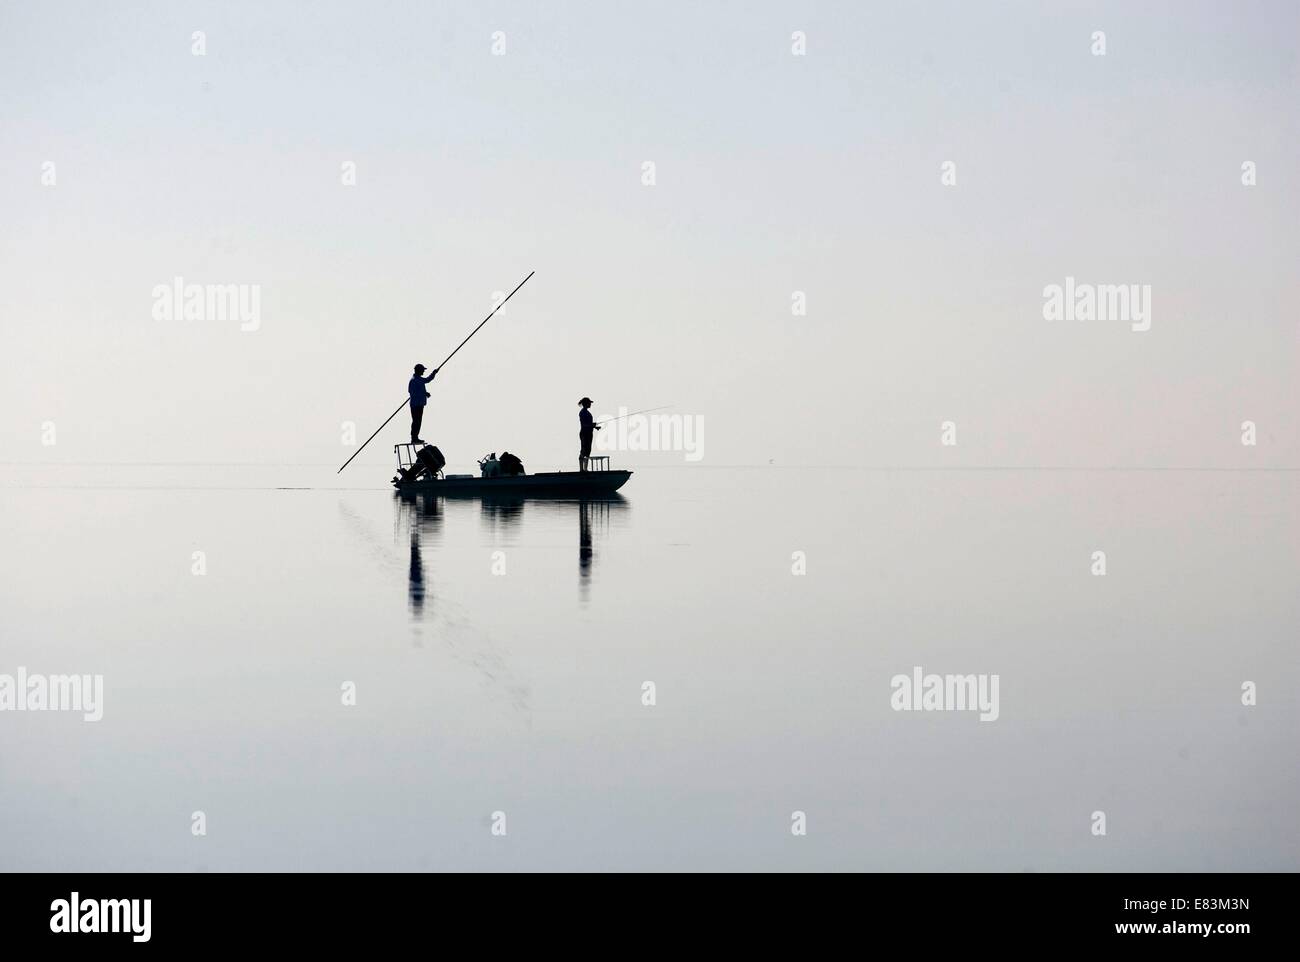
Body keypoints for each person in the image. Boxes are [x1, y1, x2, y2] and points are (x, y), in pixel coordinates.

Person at [408, 364, 438, 444]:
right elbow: (412, 392)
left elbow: (428, 380)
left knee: (418, 421)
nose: (423, 371)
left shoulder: (419, 379)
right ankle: (414, 438)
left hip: (419, 404)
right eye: (422, 370)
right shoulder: (414, 380)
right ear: (418, 370)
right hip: (415, 405)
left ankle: (415, 437)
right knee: (416, 421)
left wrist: (434, 373)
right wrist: (424, 393)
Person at [578, 397, 601, 471]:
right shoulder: (582, 413)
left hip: (589, 433)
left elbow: (588, 424)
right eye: (589, 403)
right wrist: (592, 425)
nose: (590, 404)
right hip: (584, 433)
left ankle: (585, 469)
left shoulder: (587, 412)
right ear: (586, 403)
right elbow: (584, 425)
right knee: (583, 450)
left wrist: (594, 427)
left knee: (588, 451)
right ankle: (581, 469)